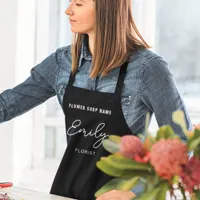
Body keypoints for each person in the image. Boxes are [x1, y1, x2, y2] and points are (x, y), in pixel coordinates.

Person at [0, 0, 192, 200]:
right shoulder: (62, 63)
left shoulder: (148, 69)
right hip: (65, 193)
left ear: (105, 8)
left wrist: (133, 193)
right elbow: (6, 106)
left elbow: (181, 142)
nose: (68, 10)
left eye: (79, 4)